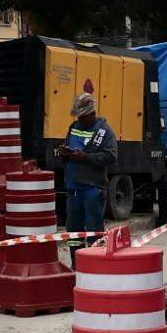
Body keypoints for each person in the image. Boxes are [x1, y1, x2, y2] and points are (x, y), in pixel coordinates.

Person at [57, 93, 118, 262]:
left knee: (93, 230)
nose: (80, 120)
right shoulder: (74, 126)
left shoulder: (104, 131)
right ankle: (77, 264)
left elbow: (111, 156)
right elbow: (69, 145)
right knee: (74, 231)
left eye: (83, 116)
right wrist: (65, 153)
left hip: (92, 188)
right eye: (78, 116)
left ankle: (94, 265)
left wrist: (85, 158)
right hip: (74, 187)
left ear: (92, 113)